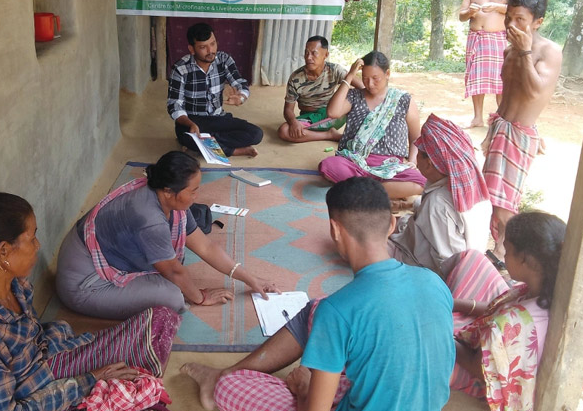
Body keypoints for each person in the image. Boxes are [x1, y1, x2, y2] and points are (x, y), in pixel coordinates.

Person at [181, 177, 454, 411]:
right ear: (392, 224)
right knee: (321, 312)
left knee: (230, 386)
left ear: (335, 230)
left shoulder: (337, 311)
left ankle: (219, 381)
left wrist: (303, 387)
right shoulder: (433, 282)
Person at [0, 193, 205, 411]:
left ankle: (122, 401)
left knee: (159, 321)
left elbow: (35, 339)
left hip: (53, 365)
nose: (37, 246)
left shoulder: (12, 284)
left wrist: (82, 363)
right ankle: (123, 407)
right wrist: (88, 380)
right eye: (31, 238)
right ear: (4, 251)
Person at [56, 151, 278, 320]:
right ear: (169, 191)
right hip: (85, 284)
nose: (197, 196)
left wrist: (250, 278)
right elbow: (173, 270)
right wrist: (200, 297)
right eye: (193, 191)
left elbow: (206, 247)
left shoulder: (166, 199)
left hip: (90, 257)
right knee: (173, 297)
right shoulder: (150, 218)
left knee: (174, 272)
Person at [445, 211, 583, 411]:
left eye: (507, 250)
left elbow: (480, 369)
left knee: (420, 349)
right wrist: (454, 303)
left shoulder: (510, 324)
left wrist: (441, 336)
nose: (503, 255)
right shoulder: (554, 289)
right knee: (474, 259)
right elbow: (498, 306)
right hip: (505, 342)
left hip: (493, 381)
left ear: (525, 259)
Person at [483, 0, 562, 260]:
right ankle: (500, 247)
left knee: (505, 201)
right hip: (501, 129)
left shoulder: (549, 52)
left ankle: (504, 252)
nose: (510, 25)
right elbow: (506, 93)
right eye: (508, 17)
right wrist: (491, 132)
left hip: (519, 135)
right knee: (490, 196)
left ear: (537, 22)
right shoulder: (508, 51)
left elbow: (534, 92)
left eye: (520, 19)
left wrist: (526, 52)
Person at [389, 114, 492, 275]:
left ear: (429, 164)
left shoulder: (438, 203)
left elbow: (448, 263)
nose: (415, 158)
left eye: (418, 153)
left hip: (423, 272)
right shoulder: (474, 187)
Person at [318, 51, 427, 201]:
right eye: (365, 78)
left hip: (390, 165)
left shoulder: (402, 100)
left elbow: (416, 138)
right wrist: (349, 76)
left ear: (387, 74)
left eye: (375, 78)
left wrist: (412, 161)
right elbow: (333, 112)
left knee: (420, 182)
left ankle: (360, 188)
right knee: (328, 166)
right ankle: (380, 190)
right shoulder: (355, 96)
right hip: (355, 161)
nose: (369, 84)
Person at [168, 22, 263, 157]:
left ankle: (205, 144)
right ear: (192, 49)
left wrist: (241, 97)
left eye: (213, 44)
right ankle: (233, 150)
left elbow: (239, 82)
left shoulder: (224, 60)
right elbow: (174, 105)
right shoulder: (180, 69)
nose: (210, 51)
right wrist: (191, 124)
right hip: (193, 121)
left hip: (218, 118)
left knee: (256, 134)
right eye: (203, 47)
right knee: (188, 137)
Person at [458, 0, 521, 128]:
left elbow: (519, 9)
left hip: (499, 38)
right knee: (476, 79)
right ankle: (477, 117)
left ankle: (502, 117)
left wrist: (497, 7)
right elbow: (461, 16)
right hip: (476, 38)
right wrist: (469, 12)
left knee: (501, 79)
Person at [277, 36, 364, 143]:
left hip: (334, 117)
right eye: (306, 53)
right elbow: (288, 110)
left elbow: (362, 88)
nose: (309, 57)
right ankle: (329, 135)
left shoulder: (334, 70)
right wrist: (294, 122)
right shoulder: (296, 78)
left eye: (314, 53)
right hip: (310, 120)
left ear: (326, 55)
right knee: (284, 130)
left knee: (356, 96)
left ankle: (358, 134)